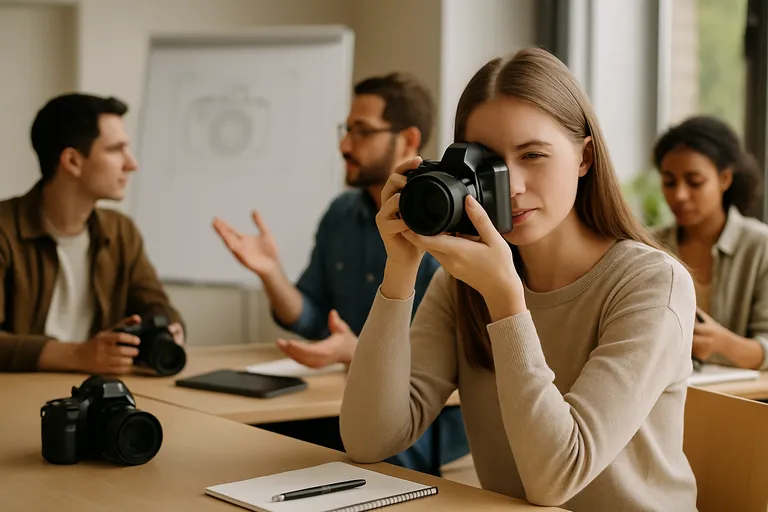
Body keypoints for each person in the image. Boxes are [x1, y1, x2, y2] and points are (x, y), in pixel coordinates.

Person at [339, 48, 698, 511]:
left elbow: (557, 479)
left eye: (533, 154)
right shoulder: (463, 283)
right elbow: (370, 440)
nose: (511, 186)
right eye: (489, 163)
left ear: (585, 157)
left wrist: (507, 302)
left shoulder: (651, 283)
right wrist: (400, 271)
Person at [213, 73, 469, 475]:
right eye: (346, 129)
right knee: (254, 453)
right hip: (343, 404)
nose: (345, 145)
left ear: (409, 140)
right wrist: (270, 273)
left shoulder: (446, 227)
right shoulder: (340, 214)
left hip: (426, 421)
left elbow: (444, 360)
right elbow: (312, 317)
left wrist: (357, 351)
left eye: (362, 132)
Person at [0, 93, 184, 374]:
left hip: (98, 394)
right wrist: (76, 355)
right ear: (72, 161)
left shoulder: (121, 231)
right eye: (115, 150)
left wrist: (167, 327)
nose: (131, 164)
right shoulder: (5, 230)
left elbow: (156, 304)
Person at [653, 115, 768, 370]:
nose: (679, 195)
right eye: (669, 182)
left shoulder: (761, 247)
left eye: (695, 182)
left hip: (741, 402)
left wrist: (721, 344)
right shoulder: (650, 246)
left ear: (725, 179)